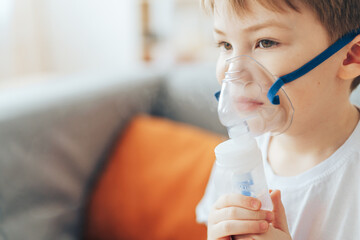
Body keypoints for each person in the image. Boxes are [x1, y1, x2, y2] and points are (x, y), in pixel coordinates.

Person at [196, 0, 360, 239]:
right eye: (225, 44)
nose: (234, 73)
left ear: (350, 56)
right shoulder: (237, 163)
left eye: (266, 42)